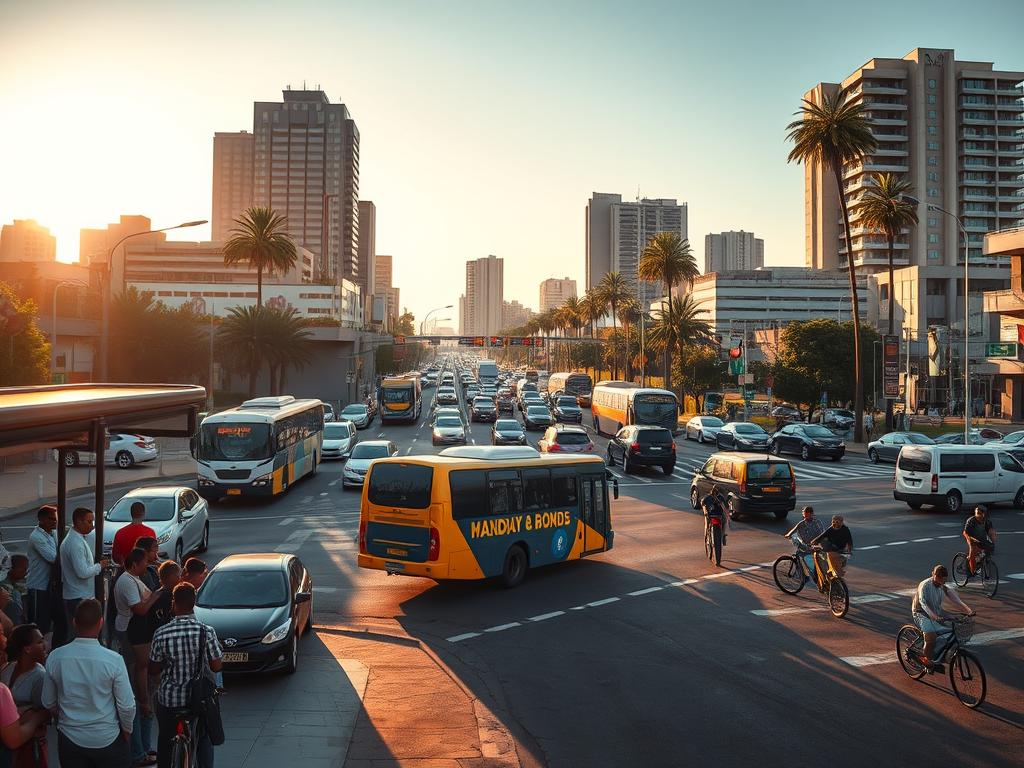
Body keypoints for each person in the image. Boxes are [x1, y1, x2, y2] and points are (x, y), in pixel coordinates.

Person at [42, 598, 135, 767]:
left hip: (70, 739)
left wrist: (64, 720)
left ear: (74, 623)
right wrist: (127, 731)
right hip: (108, 738)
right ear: (101, 623)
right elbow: (127, 706)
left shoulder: (56, 657)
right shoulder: (114, 660)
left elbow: (48, 701)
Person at [150, 584, 222, 768]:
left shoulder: (161, 633)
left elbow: (153, 669)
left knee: (165, 737)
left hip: (170, 700)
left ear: (174, 604)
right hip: (197, 700)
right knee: (203, 737)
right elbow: (216, 666)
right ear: (194, 604)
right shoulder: (206, 631)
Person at [114, 549, 163, 768]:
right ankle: (138, 752)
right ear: (134, 563)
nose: (147, 566)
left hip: (138, 633)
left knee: (144, 704)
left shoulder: (134, 578)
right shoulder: (126, 582)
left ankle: (143, 748)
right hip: (131, 634)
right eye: (144, 562)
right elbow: (140, 608)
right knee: (137, 701)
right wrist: (156, 595)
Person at [0, 623, 50, 768]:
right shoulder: (7, 668)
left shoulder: (40, 676)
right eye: (40, 641)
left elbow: (44, 714)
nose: (45, 644)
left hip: (25, 747)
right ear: (27, 649)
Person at [58, 508, 110, 641]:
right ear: (78, 522)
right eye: (89, 522)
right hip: (78, 596)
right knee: (79, 636)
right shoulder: (75, 543)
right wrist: (100, 566)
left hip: (78, 594)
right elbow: (82, 572)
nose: (92, 526)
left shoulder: (76, 539)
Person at [911, 565, 975, 672]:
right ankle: (927, 662)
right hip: (921, 614)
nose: (940, 582)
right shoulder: (925, 585)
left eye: (943, 580)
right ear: (933, 574)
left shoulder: (942, 586)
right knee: (931, 637)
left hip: (937, 613)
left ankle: (939, 655)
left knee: (952, 629)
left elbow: (955, 599)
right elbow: (923, 603)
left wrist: (968, 610)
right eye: (938, 578)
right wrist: (933, 616)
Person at [25, 506, 57, 637]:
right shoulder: (36, 537)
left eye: (55, 519)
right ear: (41, 520)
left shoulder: (53, 533)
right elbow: (53, 558)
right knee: (38, 625)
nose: (54, 522)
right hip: (38, 586)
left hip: (48, 585)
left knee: (48, 622)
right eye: (51, 519)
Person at [810, 514, 853, 590]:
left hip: (840, 550)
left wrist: (849, 550)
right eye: (833, 522)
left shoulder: (845, 529)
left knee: (837, 563)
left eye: (837, 522)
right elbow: (822, 536)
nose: (835, 524)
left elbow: (849, 541)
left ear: (842, 522)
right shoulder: (831, 529)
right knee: (830, 558)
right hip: (831, 549)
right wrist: (813, 541)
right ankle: (832, 577)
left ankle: (833, 577)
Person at [784, 506, 826, 582]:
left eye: (807, 515)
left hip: (811, 546)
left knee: (802, 556)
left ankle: (807, 576)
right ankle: (814, 576)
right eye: (805, 515)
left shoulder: (806, 523)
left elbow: (794, 530)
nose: (806, 516)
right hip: (816, 544)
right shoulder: (816, 522)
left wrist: (788, 535)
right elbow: (823, 532)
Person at [112, 503, 156, 568]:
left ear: (131, 514)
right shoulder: (150, 532)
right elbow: (154, 556)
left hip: (126, 570)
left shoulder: (120, 533)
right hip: (145, 570)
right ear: (143, 514)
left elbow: (115, 558)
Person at [700, 484, 730, 567]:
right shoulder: (717, 498)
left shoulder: (711, 498)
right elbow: (703, 503)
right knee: (723, 522)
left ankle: (719, 535)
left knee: (722, 522)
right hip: (714, 517)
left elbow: (702, 503)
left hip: (715, 517)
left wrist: (705, 510)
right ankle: (722, 536)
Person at [963, 504, 997, 576]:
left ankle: (980, 561)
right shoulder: (971, 521)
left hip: (982, 538)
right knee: (973, 550)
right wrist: (971, 539)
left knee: (988, 549)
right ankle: (971, 570)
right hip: (971, 537)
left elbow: (991, 532)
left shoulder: (987, 521)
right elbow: (966, 533)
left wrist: (993, 541)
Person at [0, 557, 28, 626]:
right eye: (23, 569)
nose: (26, 572)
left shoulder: (11, 585)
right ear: (11, 569)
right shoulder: (13, 594)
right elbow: (16, 621)